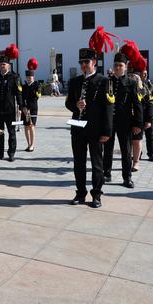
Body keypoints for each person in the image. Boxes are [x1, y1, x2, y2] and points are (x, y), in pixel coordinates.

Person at [65, 47, 113, 208]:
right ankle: (80, 193)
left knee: (96, 163)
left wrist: (107, 131)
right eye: (81, 62)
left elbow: (108, 107)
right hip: (77, 128)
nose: (84, 65)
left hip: (95, 129)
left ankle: (97, 194)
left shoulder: (104, 81)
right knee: (78, 162)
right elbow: (68, 103)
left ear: (94, 63)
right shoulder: (75, 82)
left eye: (87, 62)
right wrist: (75, 105)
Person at [103, 51, 143, 188]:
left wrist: (138, 123)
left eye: (120, 65)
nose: (118, 68)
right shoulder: (107, 82)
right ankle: (106, 173)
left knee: (126, 150)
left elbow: (137, 105)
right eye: (115, 65)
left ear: (126, 67)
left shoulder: (131, 83)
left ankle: (127, 177)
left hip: (125, 122)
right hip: (109, 121)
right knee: (107, 148)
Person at [0, 44, 23, 162]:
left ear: (9, 66)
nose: (2, 66)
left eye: (4, 65)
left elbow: (19, 93)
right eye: (0, 65)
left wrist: (21, 106)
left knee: (11, 133)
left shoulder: (14, 77)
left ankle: (11, 153)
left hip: (10, 110)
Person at [22, 58, 41, 152]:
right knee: (26, 126)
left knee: (31, 125)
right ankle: (28, 144)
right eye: (27, 77)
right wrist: (23, 107)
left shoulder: (36, 85)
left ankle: (32, 145)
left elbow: (36, 97)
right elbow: (21, 97)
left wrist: (29, 108)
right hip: (25, 109)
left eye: (30, 77)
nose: (29, 79)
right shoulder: (24, 86)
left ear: (33, 77)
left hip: (33, 108)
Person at [140, 70, 153, 162]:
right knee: (138, 136)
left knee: (150, 135)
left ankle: (151, 154)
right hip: (139, 113)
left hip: (148, 113)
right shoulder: (135, 84)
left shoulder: (150, 85)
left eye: (146, 73)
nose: (145, 75)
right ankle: (138, 154)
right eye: (143, 73)